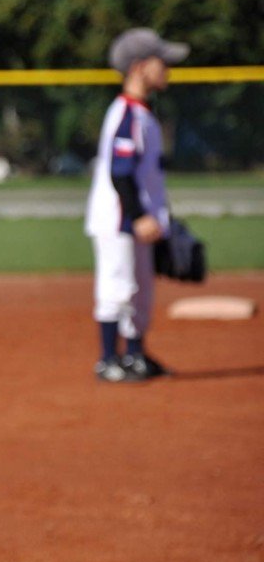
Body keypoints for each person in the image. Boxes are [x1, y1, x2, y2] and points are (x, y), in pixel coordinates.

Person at [84, 27, 188, 383]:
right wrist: (139, 215)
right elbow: (120, 172)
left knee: (141, 291)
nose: (168, 69)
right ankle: (107, 359)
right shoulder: (127, 114)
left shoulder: (143, 114)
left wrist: (161, 218)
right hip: (120, 220)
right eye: (162, 62)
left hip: (138, 219)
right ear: (140, 67)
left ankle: (135, 356)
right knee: (117, 288)